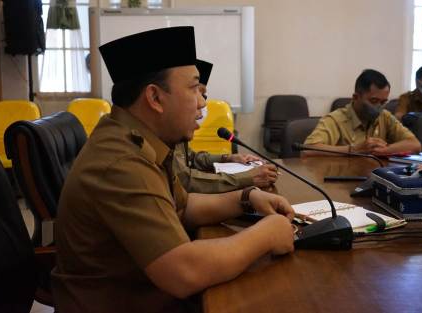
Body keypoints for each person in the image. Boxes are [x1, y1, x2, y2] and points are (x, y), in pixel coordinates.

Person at [51, 27, 295, 313]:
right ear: (154, 98)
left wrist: (246, 198)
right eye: (194, 89)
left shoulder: (136, 141)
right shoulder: (120, 162)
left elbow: (182, 205)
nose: (203, 102)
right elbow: (183, 272)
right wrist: (267, 234)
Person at [174, 59, 278, 193]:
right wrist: (248, 177)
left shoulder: (176, 135)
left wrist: (228, 157)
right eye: (195, 92)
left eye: (203, 95)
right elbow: (186, 181)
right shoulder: (163, 135)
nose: (203, 103)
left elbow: (191, 158)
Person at [304, 69, 421, 155]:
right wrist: (354, 149)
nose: (379, 107)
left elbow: (415, 144)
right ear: (356, 97)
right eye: (374, 101)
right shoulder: (335, 119)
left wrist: (384, 149)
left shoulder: (385, 116)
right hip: (341, 180)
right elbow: (307, 150)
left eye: (384, 102)